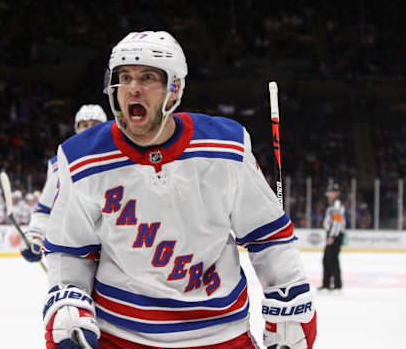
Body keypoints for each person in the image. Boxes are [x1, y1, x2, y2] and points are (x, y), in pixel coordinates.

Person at [42, 31, 317, 349]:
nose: (133, 87)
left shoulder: (226, 147)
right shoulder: (81, 157)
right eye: (125, 77)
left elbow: (267, 235)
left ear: (174, 90)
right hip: (121, 336)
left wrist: (287, 294)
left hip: (220, 335)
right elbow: (69, 249)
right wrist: (68, 301)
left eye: (148, 77)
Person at [20, 104, 108, 262]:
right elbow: (45, 209)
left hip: (113, 253)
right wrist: (35, 236)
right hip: (75, 253)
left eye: (95, 125)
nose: (89, 129)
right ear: (76, 129)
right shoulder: (60, 164)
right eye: (84, 125)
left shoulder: (122, 158)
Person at [319, 182, 345, 293]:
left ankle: (337, 286)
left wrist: (332, 235)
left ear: (336, 193)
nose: (329, 194)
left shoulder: (337, 205)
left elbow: (337, 221)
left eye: (331, 192)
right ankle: (326, 284)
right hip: (332, 234)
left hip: (335, 235)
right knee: (326, 259)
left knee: (332, 260)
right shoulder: (332, 204)